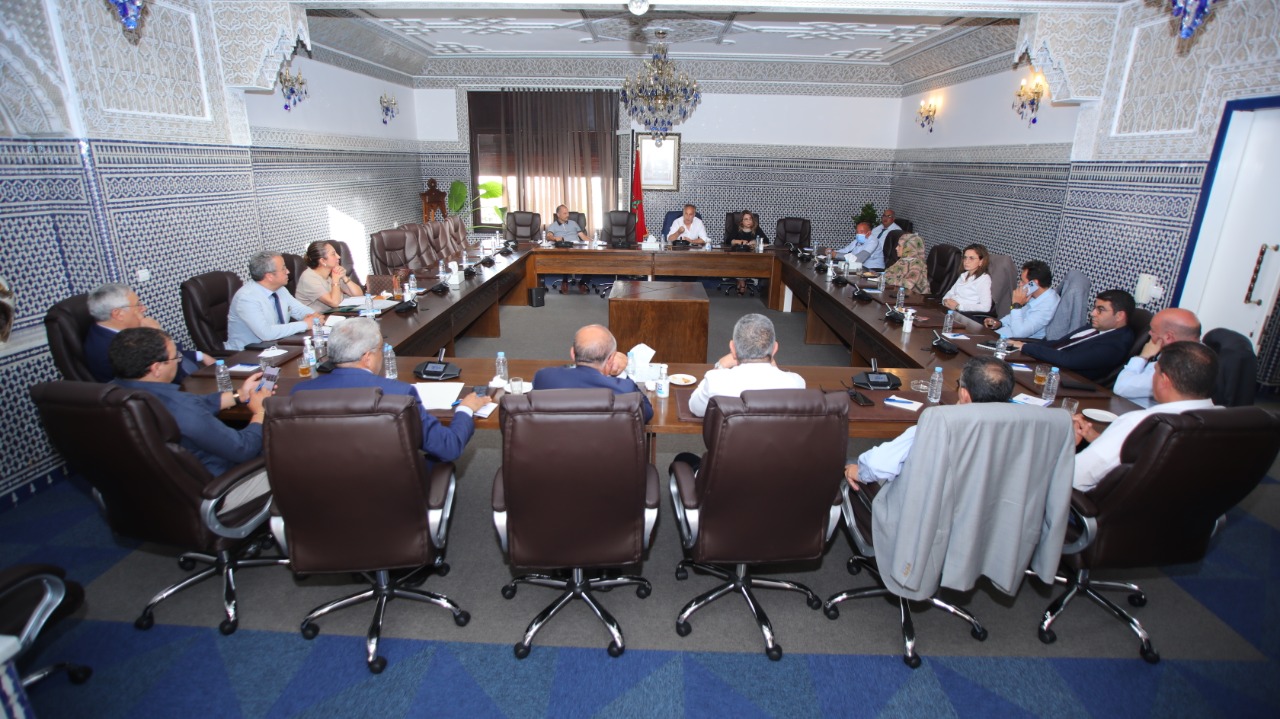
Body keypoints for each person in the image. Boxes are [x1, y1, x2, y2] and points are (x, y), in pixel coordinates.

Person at [109, 327, 272, 510]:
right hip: (217, 492)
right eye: (176, 357)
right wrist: (259, 412)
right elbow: (244, 449)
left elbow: (198, 403)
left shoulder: (108, 396)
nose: (179, 361)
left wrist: (239, 395)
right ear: (156, 368)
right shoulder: (180, 407)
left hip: (147, 497)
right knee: (292, 454)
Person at [291, 318, 490, 465]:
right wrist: (465, 409)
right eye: (380, 349)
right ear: (367, 357)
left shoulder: (299, 393)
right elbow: (448, 447)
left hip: (321, 490)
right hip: (390, 489)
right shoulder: (399, 394)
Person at [844, 356, 1014, 490]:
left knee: (854, 466)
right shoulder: (1020, 432)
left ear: (964, 394)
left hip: (927, 514)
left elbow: (876, 465)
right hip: (983, 516)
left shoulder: (938, 426)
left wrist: (857, 471)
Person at [1072, 341, 1217, 491]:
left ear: (1164, 381)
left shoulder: (1139, 423)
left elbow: (1073, 476)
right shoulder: (1224, 421)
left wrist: (1067, 446)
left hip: (1098, 502)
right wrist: (1101, 440)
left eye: (1155, 371)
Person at [84, 282, 213, 383]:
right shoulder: (111, 348)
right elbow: (168, 374)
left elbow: (172, 354)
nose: (144, 308)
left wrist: (200, 355)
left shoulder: (119, 331)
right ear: (118, 314)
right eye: (137, 305)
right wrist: (157, 335)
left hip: (188, 372)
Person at [688, 314, 804, 417]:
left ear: (733, 348)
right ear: (775, 349)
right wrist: (774, 367)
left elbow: (695, 408)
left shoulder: (715, 381)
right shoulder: (797, 383)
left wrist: (720, 366)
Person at [532, 324, 653, 423]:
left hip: (556, 445)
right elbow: (647, 413)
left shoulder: (543, 378)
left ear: (572, 353)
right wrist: (622, 374)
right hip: (606, 446)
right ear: (611, 359)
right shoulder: (624, 389)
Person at [1008, 289, 1136, 382]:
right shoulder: (1095, 327)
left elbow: (1068, 360)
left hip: (1062, 380)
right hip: (1045, 365)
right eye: (1094, 308)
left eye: (1100, 310)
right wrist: (1022, 345)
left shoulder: (1115, 344)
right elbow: (1058, 344)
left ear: (1119, 316)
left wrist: (1026, 347)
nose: (1093, 313)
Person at [226, 250, 322, 350]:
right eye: (283, 269)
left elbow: (299, 309)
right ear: (270, 276)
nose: (288, 271)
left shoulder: (280, 289)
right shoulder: (247, 298)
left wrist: (315, 317)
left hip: (277, 346)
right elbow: (266, 333)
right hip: (248, 353)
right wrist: (305, 324)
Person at [1112, 307, 1201, 408]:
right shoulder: (1193, 352)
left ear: (1168, 337)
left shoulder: (1181, 365)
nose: (1149, 333)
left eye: (1153, 330)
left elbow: (1121, 387)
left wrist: (1143, 356)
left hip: (1140, 412)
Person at [983, 260, 1060, 340]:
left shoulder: (1048, 305)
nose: (1020, 284)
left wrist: (1016, 305)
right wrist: (1000, 323)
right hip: (1001, 334)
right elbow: (1019, 315)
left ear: (1034, 283)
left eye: (1023, 281)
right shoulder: (1034, 296)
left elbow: (1019, 333)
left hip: (1012, 342)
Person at [293, 241, 361, 312]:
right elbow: (335, 303)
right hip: (317, 317)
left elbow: (359, 295)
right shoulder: (309, 278)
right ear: (322, 261)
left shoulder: (333, 272)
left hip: (335, 314)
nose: (339, 257)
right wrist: (335, 280)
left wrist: (344, 277)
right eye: (333, 254)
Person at [546, 205, 594, 293]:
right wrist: (555, 238)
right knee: (566, 257)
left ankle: (582, 282)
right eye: (565, 213)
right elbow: (549, 236)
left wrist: (595, 242)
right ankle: (564, 281)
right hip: (563, 248)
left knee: (591, 259)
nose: (567, 215)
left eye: (567, 213)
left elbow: (583, 237)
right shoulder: (553, 225)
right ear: (558, 215)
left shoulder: (573, 223)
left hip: (577, 247)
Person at [725, 210, 769, 294]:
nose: (749, 221)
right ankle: (742, 283)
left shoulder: (756, 228)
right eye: (746, 219)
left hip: (752, 257)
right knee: (740, 261)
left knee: (747, 262)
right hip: (737, 255)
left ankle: (740, 282)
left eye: (750, 219)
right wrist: (739, 241)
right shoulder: (737, 228)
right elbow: (727, 241)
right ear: (741, 221)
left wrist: (755, 242)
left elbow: (766, 240)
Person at [941, 244, 992, 313]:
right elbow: (950, 293)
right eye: (965, 257)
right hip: (950, 309)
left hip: (964, 314)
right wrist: (945, 301)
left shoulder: (984, 279)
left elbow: (986, 307)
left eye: (971, 258)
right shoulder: (964, 275)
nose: (966, 261)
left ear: (981, 261)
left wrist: (958, 307)